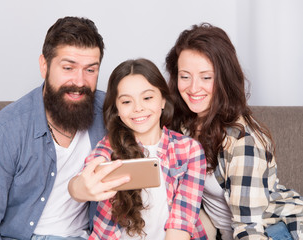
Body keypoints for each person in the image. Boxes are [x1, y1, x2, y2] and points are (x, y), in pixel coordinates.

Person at [0, 16, 128, 240]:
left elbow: (155, 123)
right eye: (68, 67)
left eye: (90, 70)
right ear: (44, 65)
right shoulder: (6, 129)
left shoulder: (110, 111)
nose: (79, 81)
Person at [165, 23, 303, 240]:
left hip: (273, 230)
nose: (193, 88)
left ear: (224, 79)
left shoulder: (242, 142)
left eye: (206, 77)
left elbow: (249, 228)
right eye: (185, 76)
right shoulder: (183, 125)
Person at [70, 58, 208, 239]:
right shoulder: (108, 147)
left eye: (148, 98)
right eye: (127, 102)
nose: (138, 108)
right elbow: (82, 181)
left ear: (163, 101)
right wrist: (79, 188)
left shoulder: (189, 150)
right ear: (117, 109)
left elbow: (181, 223)